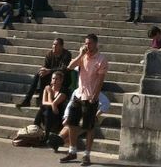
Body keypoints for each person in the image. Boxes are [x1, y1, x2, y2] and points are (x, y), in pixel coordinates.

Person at [59, 34, 108, 165]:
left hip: (91, 97)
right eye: (86, 43)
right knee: (72, 123)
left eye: (90, 43)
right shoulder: (83, 56)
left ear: (96, 44)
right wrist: (80, 55)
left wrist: (95, 96)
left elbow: (100, 81)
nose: (87, 46)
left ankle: (87, 155)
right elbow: (69, 67)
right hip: (78, 94)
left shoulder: (101, 60)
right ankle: (72, 151)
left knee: (89, 127)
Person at [16, 37, 72, 109]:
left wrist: (49, 71)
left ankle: (41, 98)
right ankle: (28, 100)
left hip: (63, 78)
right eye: (53, 44)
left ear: (61, 46)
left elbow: (63, 69)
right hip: (52, 76)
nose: (54, 46)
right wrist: (43, 70)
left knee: (49, 75)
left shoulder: (67, 54)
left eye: (56, 45)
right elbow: (45, 66)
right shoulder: (49, 54)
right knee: (39, 74)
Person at [33, 69, 67, 141]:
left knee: (48, 109)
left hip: (57, 116)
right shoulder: (47, 88)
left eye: (57, 79)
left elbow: (55, 105)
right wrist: (52, 103)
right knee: (43, 108)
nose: (54, 80)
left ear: (61, 80)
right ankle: (35, 130)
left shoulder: (63, 91)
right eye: (53, 78)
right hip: (48, 115)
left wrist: (49, 93)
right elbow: (44, 102)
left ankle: (46, 135)